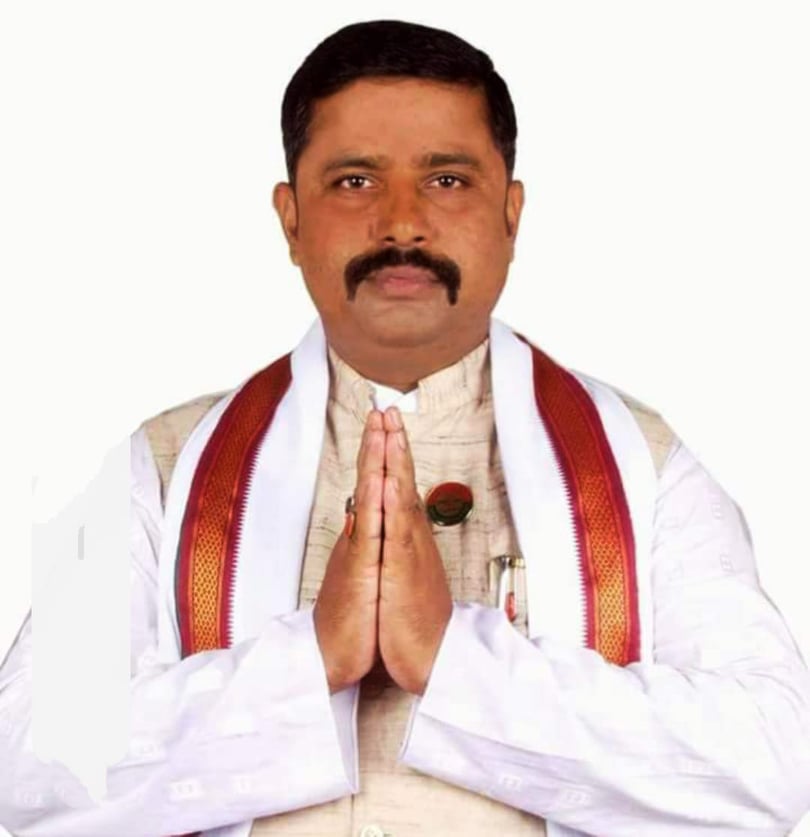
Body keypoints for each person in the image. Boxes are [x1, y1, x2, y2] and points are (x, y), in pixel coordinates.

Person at [3, 18, 810, 837]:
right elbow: (26, 767)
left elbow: (773, 766)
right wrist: (313, 658)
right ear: (290, 219)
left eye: (447, 180)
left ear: (511, 213)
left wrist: (452, 659)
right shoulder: (151, 464)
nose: (401, 223)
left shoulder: (648, 464)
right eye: (354, 180)